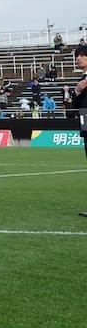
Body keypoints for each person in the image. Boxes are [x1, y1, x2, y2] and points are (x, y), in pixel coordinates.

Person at [68, 43, 87, 217]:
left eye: (82, 55)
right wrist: (77, 90)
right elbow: (74, 104)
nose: (78, 58)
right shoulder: (81, 80)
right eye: (77, 56)